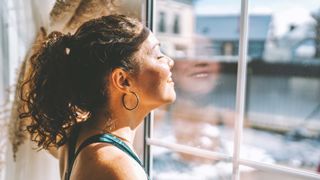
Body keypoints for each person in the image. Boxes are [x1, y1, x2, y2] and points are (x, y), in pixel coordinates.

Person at [19, 14, 175, 180]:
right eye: (158, 55)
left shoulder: (77, 134)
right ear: (122, 80)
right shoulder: (117, 167)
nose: (170, 61)